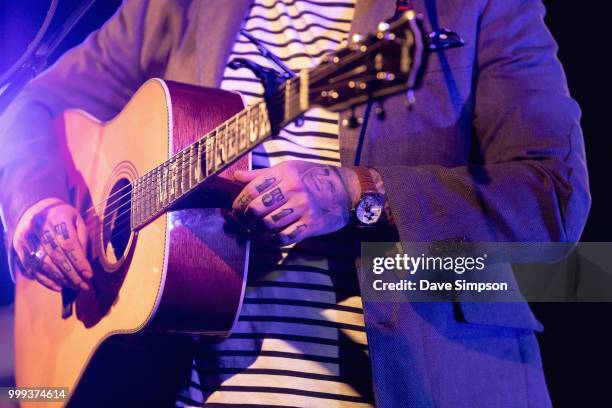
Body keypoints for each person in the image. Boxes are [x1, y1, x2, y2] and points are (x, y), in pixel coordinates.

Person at [0, 0, 590, 406]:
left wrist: (359, 192)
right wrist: (37, 207)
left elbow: (554, 198)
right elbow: (33, 107)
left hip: (419, 382)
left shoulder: (476, 6)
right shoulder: (181, 8)